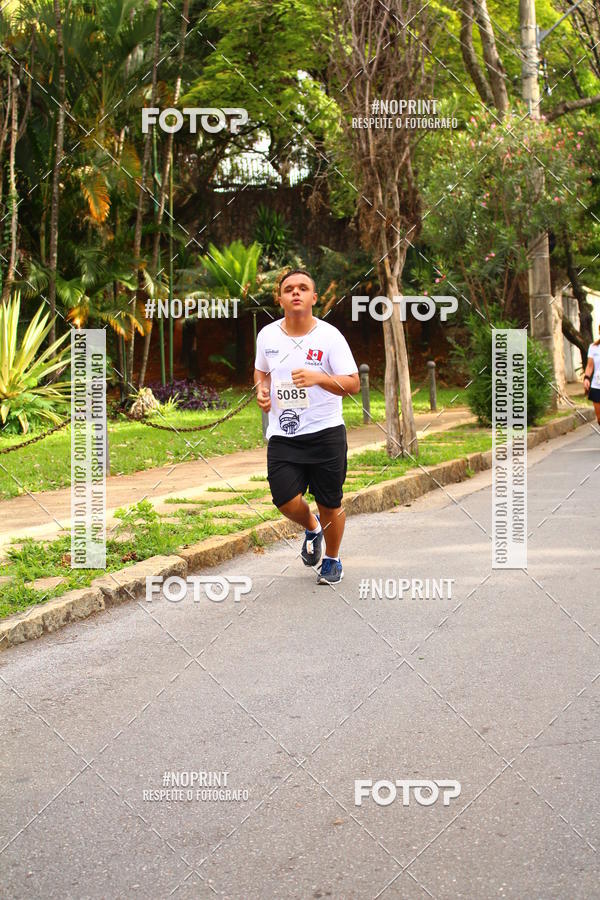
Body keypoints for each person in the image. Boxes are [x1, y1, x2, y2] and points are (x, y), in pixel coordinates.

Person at [253, 269, 360, 584]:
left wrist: (319, 378)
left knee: (330, 502)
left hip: (325, 432)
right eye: (289, 289)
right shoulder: (267, 336)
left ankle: (332, 559)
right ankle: (312, 528)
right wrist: (261, 389)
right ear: (281, 298)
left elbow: (353, 383)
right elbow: (262, 373)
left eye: (303, 288)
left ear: (314, 298)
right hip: (284, 434)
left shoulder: (329, 336)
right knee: (284, 498)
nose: (295, 292)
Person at [583, 330, 600, 425]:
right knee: (599, 418)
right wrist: (586, 378)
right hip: (597, 385)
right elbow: (590, 366)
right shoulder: (593, 347)